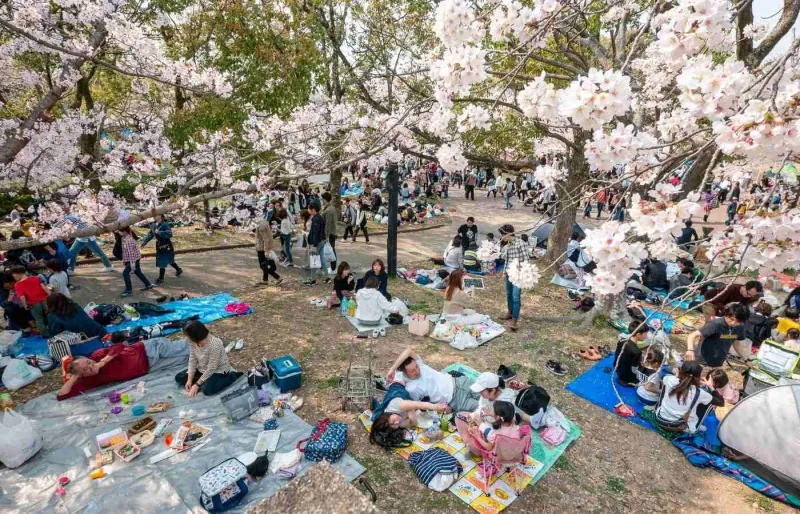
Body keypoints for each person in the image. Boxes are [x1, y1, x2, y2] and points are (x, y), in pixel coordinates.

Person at [57, 337, 190, 400]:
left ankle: (209, 342)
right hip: (149, 367)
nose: (90, 366)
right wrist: (74, 376)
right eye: (85, 369)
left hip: (147, 350)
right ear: (81, 375)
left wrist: (102, 362)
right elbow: (61, 395)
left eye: (88, 362)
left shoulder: (97, 355)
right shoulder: (87, 380)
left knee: (185, 347)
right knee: (185, 359)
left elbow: (119, 346)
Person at [387, 347, 480, 413]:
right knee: (485, 408)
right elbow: (418, 406)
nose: (417, 370)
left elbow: (408, 351)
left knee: (490, 395)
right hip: (456, 400)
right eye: (412, 371)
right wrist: (441, 408)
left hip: (461, 382)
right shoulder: (412, 388)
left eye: (416, 367)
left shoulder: (421, 365)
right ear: (405, 373)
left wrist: (392, 369)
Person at [174, 321, 242, 396]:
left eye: (188, 336)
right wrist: (189, 380)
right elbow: (192, 360)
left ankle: (231, 376)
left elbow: (212, 368)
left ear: (195, 335)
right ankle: (204, 381)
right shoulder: (193, 342)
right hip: (202, 368)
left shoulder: (215, 344)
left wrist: (197, 384)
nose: (187, 338)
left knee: (207, 390)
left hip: (218, 370)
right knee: (179, 377)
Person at [655, 361, 723, 433]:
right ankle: (694, 426)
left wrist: (677, 374)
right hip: (679, 426)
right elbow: (721, 402)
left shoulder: (668, 379)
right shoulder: (700, 393)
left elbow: (667, 374)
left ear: (680, 371)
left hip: (660, 419)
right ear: (698, 377)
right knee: (706, 403)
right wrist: (710, 386)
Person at [686, 302, 750, 368]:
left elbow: (736, 343)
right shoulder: (715, 325)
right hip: (702, 361)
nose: (733, 323)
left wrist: (746, 360)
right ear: (727, 314)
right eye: (732, 319)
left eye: (738, 321)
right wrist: (690, 350)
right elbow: (692, 335)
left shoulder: (740, 327)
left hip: (718, 363)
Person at [499, 225, 526, 331]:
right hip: (508, 274)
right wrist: (504, 272)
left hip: (518, 275)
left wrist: (520, 271)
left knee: (515, 297)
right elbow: (507, 260)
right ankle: (509, 313)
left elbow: (526, 260)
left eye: (502, 235)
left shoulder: (521, 243)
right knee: (509, 294)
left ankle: (514, 319)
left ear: (508, 233)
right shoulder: (508, 245)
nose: (502, 237)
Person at [141, 216, 183, 285]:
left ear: (160, 215)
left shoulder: (165, 224)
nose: (154, 216)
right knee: (168, 260)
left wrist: (160, 232)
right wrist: (144, 242)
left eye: (156, 214)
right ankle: (178, 269)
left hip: (167, 245)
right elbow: (150, 235)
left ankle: (161, 279)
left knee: (163, 262)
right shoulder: (153, 225)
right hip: (159, 245)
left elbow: (169, 234)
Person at [10, 265, 50, 336]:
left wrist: (25, 305)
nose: (14, 277)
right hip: (45, 300)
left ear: (18, 274)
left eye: (14, 276)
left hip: (33, 303)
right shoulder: (36, 278)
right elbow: (44, 287)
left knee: (39, 319)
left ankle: (44, 334)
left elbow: (22, 296)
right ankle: (54, 330)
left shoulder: (18, 284)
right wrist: (50, 296)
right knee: (50, 315)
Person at [118, 226, 154, 297]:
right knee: (137, 272)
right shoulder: (124, 238)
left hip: (134, 259)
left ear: (125, 232)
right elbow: (125, 251)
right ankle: (148, 284)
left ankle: (129, 291)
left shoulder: (128, 240)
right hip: (133, 259)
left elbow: (131, 253)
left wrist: (132, 264)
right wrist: (124, 260)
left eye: (120, 231)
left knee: (125, 273)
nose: (119, 232)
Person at [614, 321, 649, 386]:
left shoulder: (622, 340)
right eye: (645, 334)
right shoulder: (637, 352)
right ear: (638, 334)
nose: (646, 336)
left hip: (617, 370)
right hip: (627, 378)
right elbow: (634, 371)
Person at [304, 202, 329, 285]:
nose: (308, 210)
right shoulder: (320, 217)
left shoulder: (316, 219)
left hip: (317, 242)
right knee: (322, 259)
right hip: (321, 241)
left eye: (309, 208)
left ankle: (313, 279)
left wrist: (314, 245)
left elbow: (316, 233)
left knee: (314, 261)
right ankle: (327, 277)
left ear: (313, 210)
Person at [254, 216, 282, 285]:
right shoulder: (265, 223)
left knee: (263, 265)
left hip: (262, 248)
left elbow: (265, 239)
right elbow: (267, 237)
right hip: (264, 247)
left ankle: (278, 277)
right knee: (265, 264)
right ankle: (265, 280)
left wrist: (266, 250)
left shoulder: (261, 226)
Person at [321, 192, 338, 271]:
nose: (322, 200)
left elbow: (328, 224)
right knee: (331, 249)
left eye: (322, 199)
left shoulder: (328, 210)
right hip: (333, 232)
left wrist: (326, 235)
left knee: (330, 250)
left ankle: (333, 267)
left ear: (325, 199)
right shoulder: (332, 208)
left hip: (330, 233)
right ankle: (332, 267)